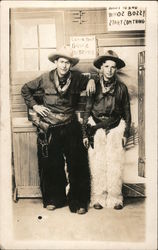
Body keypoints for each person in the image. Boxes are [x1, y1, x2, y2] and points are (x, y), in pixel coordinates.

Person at [21, 46, 95, 214]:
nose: (64, 66)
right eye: (61, 62)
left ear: (70, 64)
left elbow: (93, 80)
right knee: (51, 164)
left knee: (77, 163)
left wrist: (91, 80)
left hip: (70, 125)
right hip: (50, 127)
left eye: (68, 62)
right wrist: (35, 106)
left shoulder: (77, 78)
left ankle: (78, 202)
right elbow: (25, 89)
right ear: (56, 62)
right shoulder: (45, 78)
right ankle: (55, 199)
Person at [82, 50, 131, 210]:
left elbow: (126, 112)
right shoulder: (93, 85)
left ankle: (116, 198)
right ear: (101, 69)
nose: (110, 70)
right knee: (97, 164)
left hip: (115, 127)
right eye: (106, 66)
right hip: (96, 128)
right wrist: (84, 133)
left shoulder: (121, 88)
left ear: (116, 70)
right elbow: (87, 110)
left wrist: (126, 133)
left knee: (115, 163)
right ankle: (98, 198)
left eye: (113, 67)